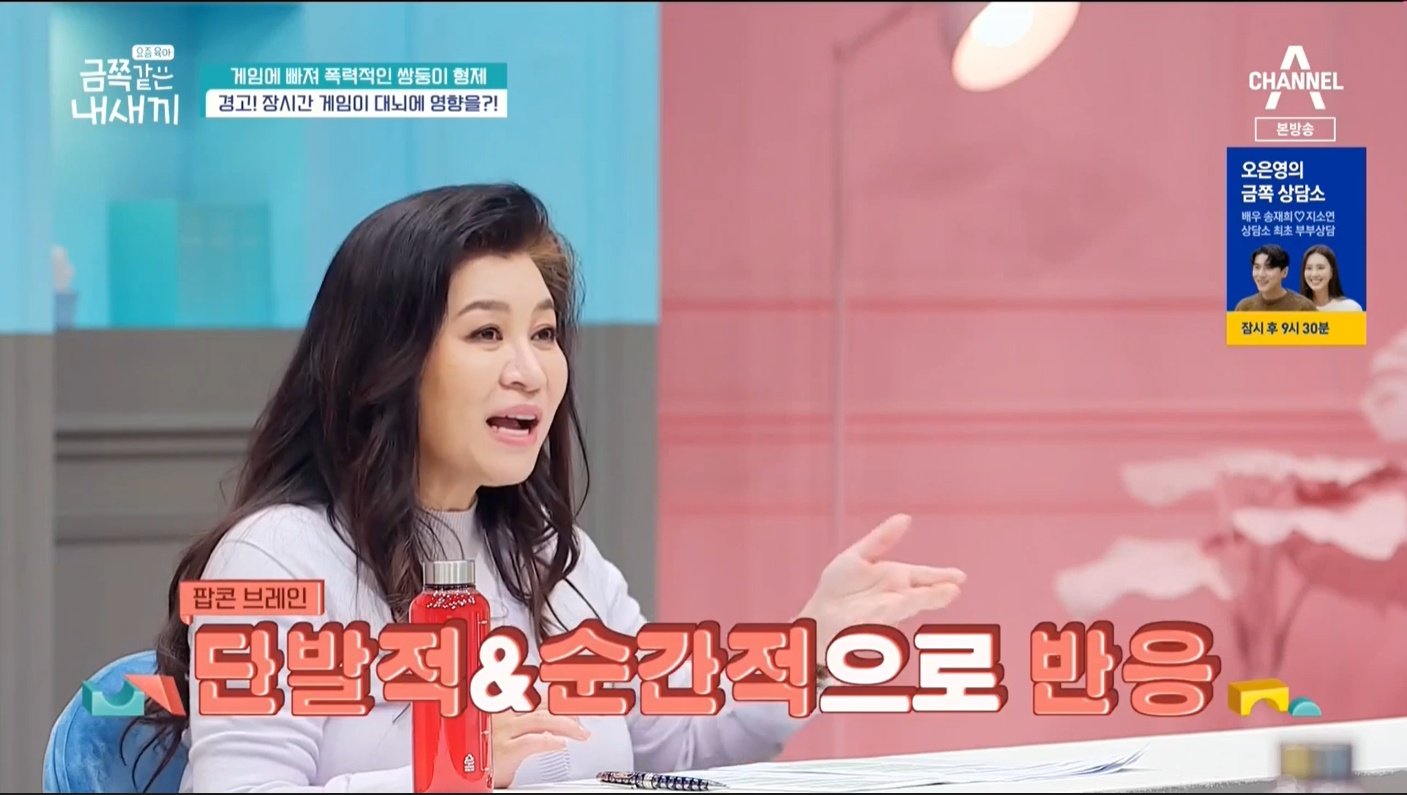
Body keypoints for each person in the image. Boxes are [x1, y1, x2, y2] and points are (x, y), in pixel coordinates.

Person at [131, 184, 967, 792]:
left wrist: (809, 646)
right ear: (386, 361)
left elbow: (673, 746)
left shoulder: (553, 560)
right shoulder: (277, 557)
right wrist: (456, 769)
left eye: (542, 333)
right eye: (485, 333)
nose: (530, 370)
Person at [1233, 244, 1318, 312]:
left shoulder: (1304, 308)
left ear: (1284, 272)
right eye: (1257, 267)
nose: (1261, 274)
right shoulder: (1244, 308)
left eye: (1269, 268)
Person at [1299, 244, 1363, 312]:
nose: (1314, 274)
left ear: (1331, 272)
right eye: (1309, 268)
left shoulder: (1351, 309)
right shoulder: (1295, 309)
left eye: (1320, 268)